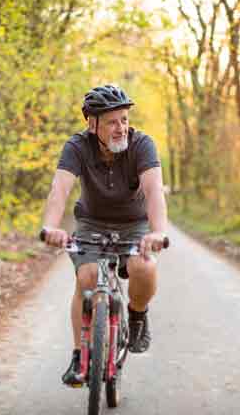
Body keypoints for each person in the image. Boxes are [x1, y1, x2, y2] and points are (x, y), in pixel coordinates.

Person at [41, 84, 168, 387]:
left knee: (144, 267)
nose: (120, 127)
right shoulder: (76, 147)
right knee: (86, 278)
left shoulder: (142, 145)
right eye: (112, 121)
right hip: (92, 224)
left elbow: (153, 191)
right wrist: (50, 226)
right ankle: (78, 355)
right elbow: (60, 189)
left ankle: (137, 315)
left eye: (124, 119)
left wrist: (159, 231)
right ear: (92, 124)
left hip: (134, 224)